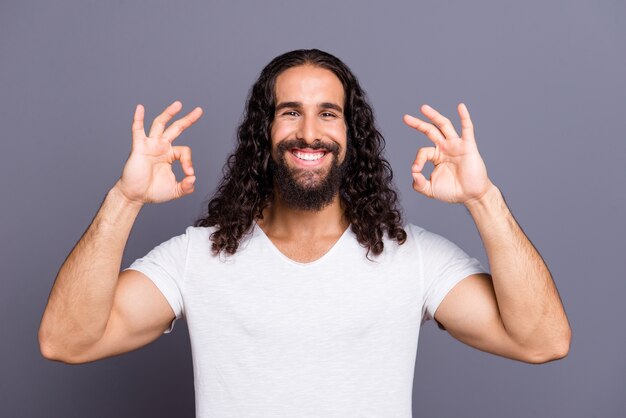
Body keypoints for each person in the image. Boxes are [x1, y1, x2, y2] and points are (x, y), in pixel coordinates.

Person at [39, 49, 571, 417]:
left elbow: (543, 341)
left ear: (350, 135)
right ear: (263, 133)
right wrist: (125, 199)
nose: (310, 132)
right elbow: (66, 341)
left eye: (328, 114)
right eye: (290, 112)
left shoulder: (415, 259)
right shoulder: (194, 258)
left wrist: (483, 198)